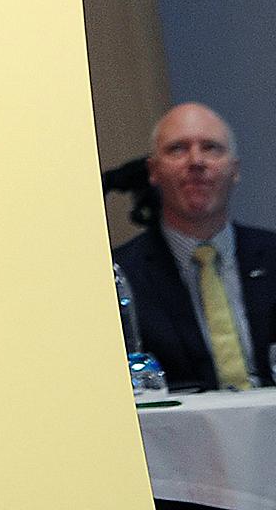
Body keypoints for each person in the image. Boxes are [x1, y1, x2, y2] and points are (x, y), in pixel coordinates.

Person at [113, 102, 275, 390]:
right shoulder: (121, 275)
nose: (196, 161)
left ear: (234, 169)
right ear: (153, 171)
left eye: (211, 148)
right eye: (178, 149)